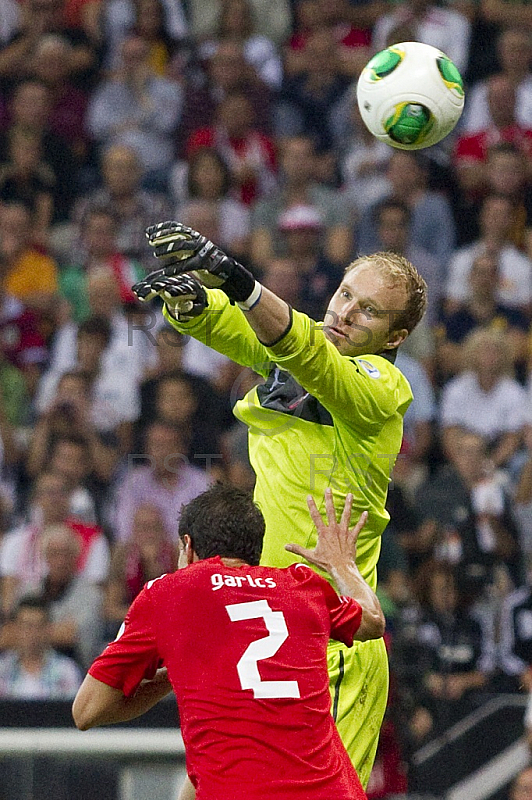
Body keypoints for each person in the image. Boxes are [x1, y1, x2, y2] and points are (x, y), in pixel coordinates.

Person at [131, 220, 428, 786]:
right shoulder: (299, 350)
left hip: (334, 640)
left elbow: (306, 354)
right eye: (345, 295)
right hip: (267, 627)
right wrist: (191, 306)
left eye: (368, 311)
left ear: (396, 337)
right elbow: (248, 333)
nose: (343, 313)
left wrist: (238, 282)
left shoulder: (383, 390)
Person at [73, 485, 384, 800]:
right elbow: (373, 621)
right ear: (256, 551)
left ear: (188, 546)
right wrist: (343, 566)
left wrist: (177, 673)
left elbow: (87, 710)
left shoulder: (169, 593)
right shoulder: (303, 587)